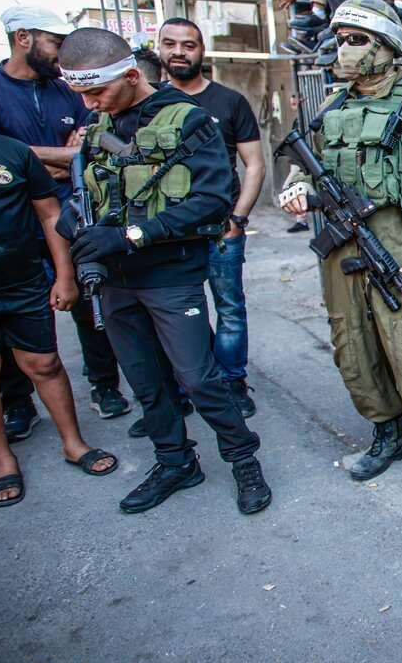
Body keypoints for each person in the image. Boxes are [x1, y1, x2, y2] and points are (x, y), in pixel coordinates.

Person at [57, 27, 271, 515]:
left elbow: (212, 199)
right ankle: (176, 462)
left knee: (198, 379)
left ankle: (243, 461)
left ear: (132, 75)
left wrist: (133, 235)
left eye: (97, 91)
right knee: (146, 383)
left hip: (170, 276)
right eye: (82, 94)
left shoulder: (190, 120)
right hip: (114, 281)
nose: (90, 104)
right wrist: (76, 222)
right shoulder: (97, 129)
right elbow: (85, 193)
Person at [279, 0, 402, 516]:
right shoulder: (334, 106)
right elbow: (303, 163)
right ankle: (388, 436)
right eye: (340, 39)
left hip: (398, 255)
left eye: (357, 39)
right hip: (339, 255)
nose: (345, 49)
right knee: (353, 351)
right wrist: (295, 187)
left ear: (387, 47)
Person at [0, 65, 117, 508]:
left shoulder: (11, 153)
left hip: (22, 281)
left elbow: (50, 215)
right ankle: (2, 462)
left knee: (44, 363)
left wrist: (64, 275)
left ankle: (74, 443)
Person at [0, 6, 131, 440]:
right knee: (10, 316)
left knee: (87, 296)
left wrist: (32, 158)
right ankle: (18, 401)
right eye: (55, 42)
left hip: (72, 213)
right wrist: (56, 158)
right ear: (23, 38)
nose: (64, 53)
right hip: (12, 225)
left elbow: (92, 149)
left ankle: (104, 385)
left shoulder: (67, 91)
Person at [156, 18, 264, 421]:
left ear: (203, 51)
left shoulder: (229, 102)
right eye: (171, 44)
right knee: (181, 312)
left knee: (230, 307)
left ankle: (233, 382)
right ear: (160, 49)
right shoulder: (150, 102)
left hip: (222, 228)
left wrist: (239, 216)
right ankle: (190, 385)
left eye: (189, 44)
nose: (179, 52)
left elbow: (254, 164)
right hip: (168, 232)